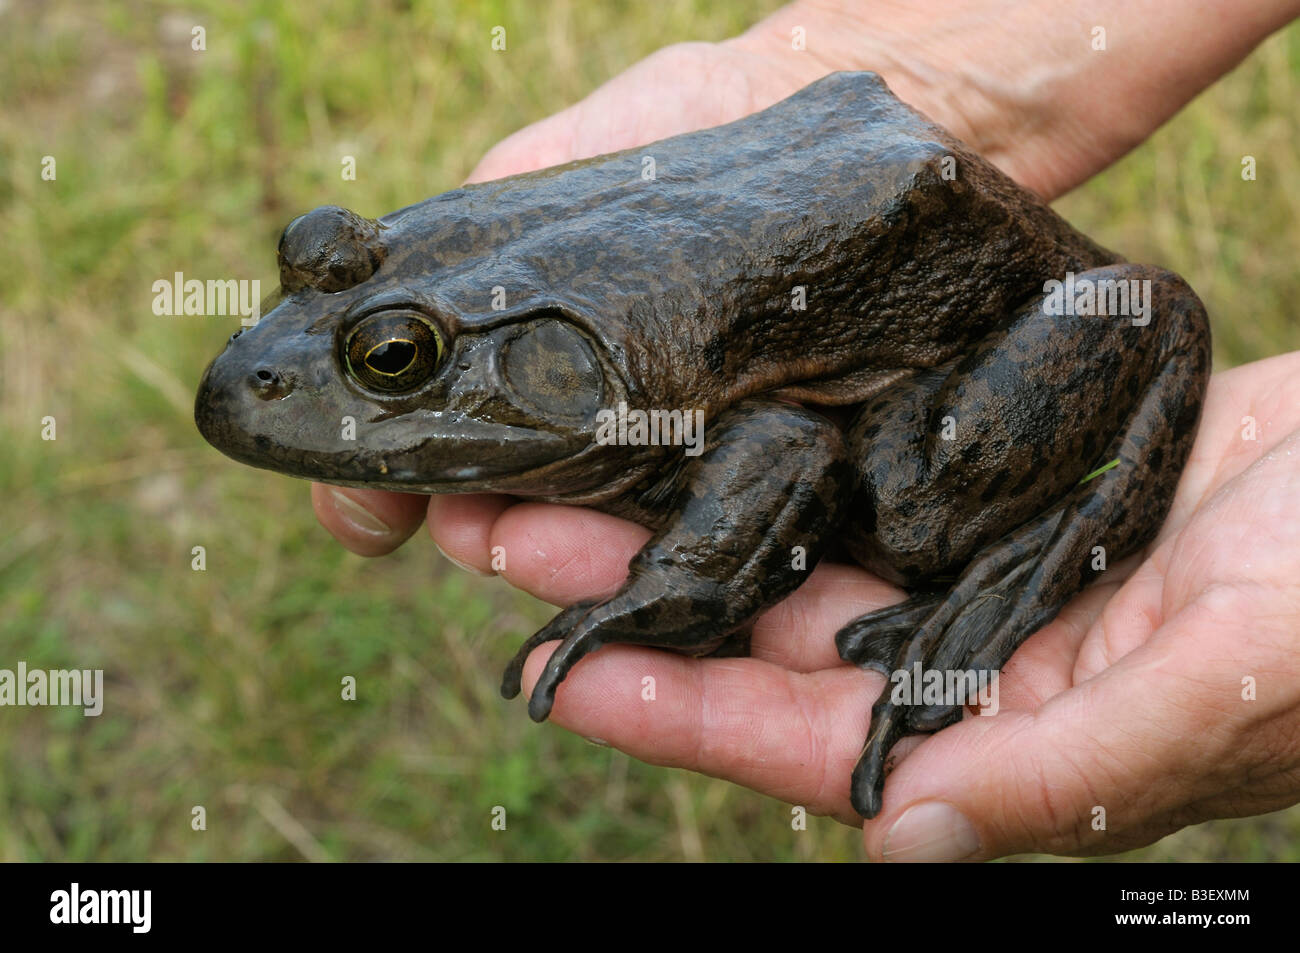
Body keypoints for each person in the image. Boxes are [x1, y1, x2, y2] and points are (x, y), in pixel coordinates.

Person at [311, 0, 1300, 860]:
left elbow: (786, 452)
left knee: (910, 514)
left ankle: (1044, 549)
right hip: (866, 204)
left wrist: (678, 584)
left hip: (995, 306)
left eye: (393, 360)